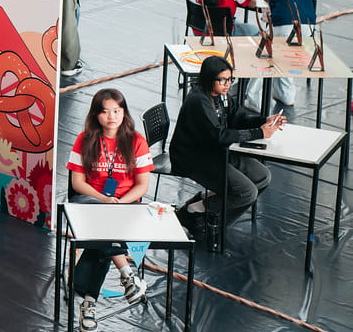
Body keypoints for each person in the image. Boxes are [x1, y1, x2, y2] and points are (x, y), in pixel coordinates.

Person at [65, 89, 153, 330]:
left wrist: (119, 204)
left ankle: (89, 303)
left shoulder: (136, 141)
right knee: (105, 224)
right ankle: (127, 274)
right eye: (105, 111)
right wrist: (104, 199)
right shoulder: (84, 139)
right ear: (96, 115)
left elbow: (142, 185)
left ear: (124, 112)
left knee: (101, 238)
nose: (112, 116)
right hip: (89, 201)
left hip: (125, 204)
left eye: (116, 110)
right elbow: (77, 184)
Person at [170, 56, 280, 241]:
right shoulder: (199, 101)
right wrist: (259, 133)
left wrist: (263, 121)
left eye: (230, 79)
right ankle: (192, 211)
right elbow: (219, 136)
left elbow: (238, 116)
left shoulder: (221, 95)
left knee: (262, 176)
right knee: (247, 192)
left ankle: (214, 219)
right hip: (194, 158)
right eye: (222, 80)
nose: (227, 84)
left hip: (217, 152)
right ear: (209, 78)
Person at [252, 0, 316, 110]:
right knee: (286, 59)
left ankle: (252, 98)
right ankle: (285, 94)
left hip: (285, 22)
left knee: (265, 58)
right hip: (309, 24)